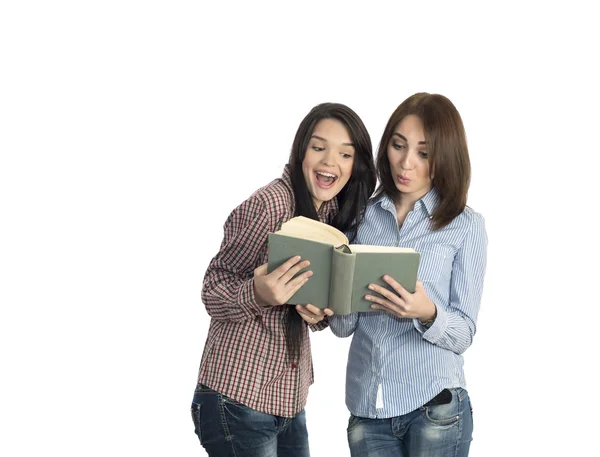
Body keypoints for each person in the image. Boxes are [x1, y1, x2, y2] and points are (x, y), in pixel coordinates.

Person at [191, 102, 377, 457]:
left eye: (344, 153)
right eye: (318, 147)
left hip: (287, 399)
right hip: (238, 396)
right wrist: (257, 293)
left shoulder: (332, 214)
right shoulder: (271, 205)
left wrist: (318, 313)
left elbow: (315, 307)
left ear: (356, 165)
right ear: (301, 149)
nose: (329, 162)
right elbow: (212, 288)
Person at [329, 93, 487, 457]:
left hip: (435, 407)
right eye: (398, 146)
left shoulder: (464, 226)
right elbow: (342, 327)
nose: (405, 162)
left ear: (443, 158)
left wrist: (426, 312)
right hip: (368, 409)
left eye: (423, 153)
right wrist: (336, 294)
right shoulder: (361, 218)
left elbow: (464, 333)